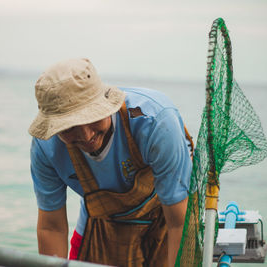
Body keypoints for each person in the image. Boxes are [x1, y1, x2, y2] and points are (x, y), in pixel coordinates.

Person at [28, 58, 193, 267]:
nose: (86, 136)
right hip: (102, 222)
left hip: (169, 212)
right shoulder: (46, 146)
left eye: (90, 118)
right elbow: (52, 227)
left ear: (105, 105)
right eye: (68, 128)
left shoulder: (154, 122)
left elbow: (180, 222)